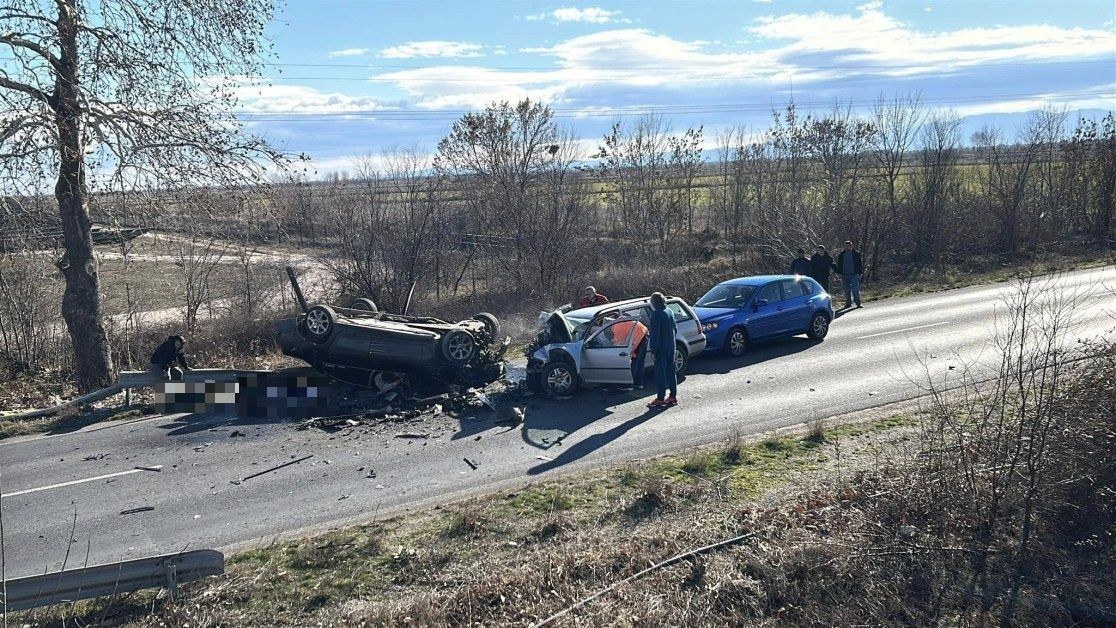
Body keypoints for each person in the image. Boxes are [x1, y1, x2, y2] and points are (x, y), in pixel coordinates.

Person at [647, 292, 678, 408]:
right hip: (671, 346)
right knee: (671, 372)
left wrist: (653, 351)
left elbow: (655, 335)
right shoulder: (669, 311)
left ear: (654, 303)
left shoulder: (656, 315)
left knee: (660, 373)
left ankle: (660, 398)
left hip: (661, 349)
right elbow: (675, 328)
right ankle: (672, 396)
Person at [836, 240, 864, 309]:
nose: (847, 247)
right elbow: (839, 264)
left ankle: (858, 303)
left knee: (855, 289)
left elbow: (860, 264)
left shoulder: (856, 254)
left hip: (854, 274)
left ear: (851, 246)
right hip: (845, 275)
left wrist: (859, 273)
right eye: (846, 246)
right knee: (846, 290)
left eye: (848, 246)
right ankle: (848, 303)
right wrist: (840, 273)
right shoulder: (841, 254)